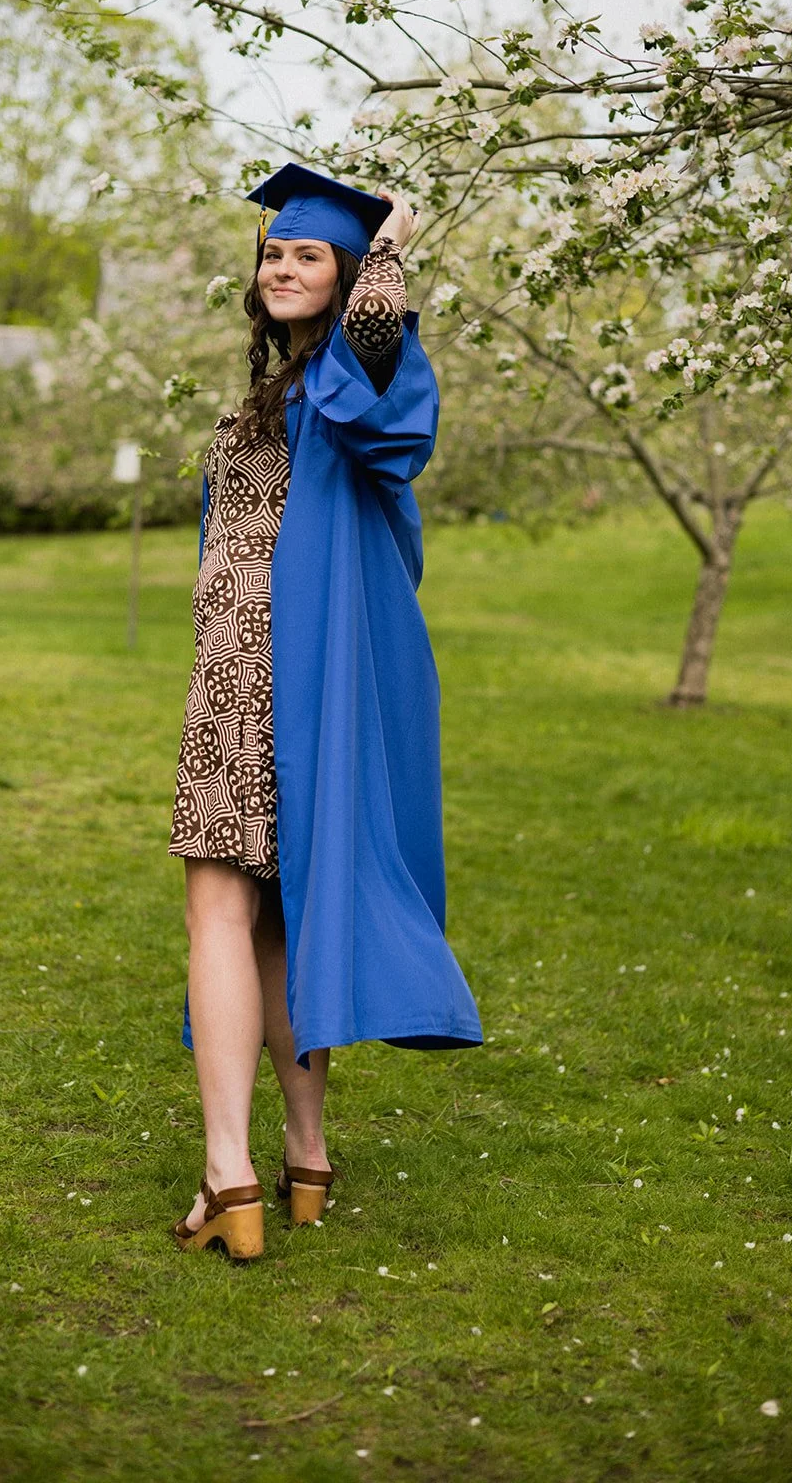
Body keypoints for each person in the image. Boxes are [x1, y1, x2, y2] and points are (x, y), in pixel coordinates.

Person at [168, 164, 483, 1261]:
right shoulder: (282, 389)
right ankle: (303, 1158)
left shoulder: (357, 379)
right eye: (273, 253)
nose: (283, 266)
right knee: (273, 919)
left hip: (285, 678)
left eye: (310, 254)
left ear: (351, 276)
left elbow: (380, 339)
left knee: (220, 911)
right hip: (237, 673)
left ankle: (228, 1173)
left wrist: (392, 236)